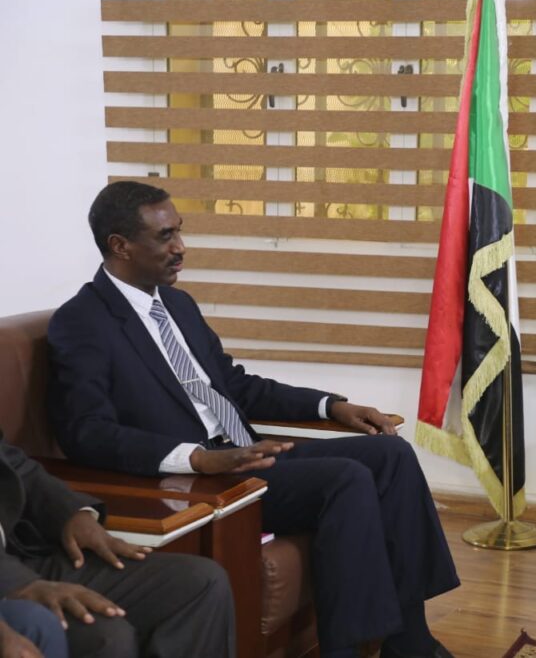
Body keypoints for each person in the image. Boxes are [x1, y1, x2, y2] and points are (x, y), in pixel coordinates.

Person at [47, 181, 459, 658]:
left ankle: (411, 644)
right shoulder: (82, 322)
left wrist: (330, 405)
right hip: (200, 480)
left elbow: (235, 385)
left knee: (391, 454)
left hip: (247, 454)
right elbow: (87, 432)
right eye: (165, 236)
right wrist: (197, 459)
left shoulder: (176, 305)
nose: (181, 247)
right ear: (120, 246)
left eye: (179, 231)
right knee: (346, 478)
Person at [0, 433, 234, 657]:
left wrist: (74, 514)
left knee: (202, 581)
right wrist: (20, 582)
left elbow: (13, 463)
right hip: (11, 574)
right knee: (107, 636)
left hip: (21, 551)